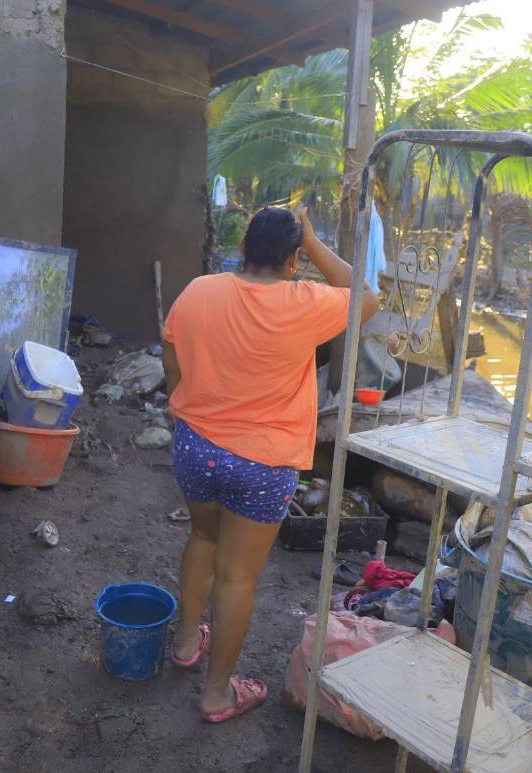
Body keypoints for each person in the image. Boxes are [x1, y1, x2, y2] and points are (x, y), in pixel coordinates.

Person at [161, 206, 379, 722]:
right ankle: (217, 695)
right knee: (236, 579)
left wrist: (188, 410)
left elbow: (171, 359)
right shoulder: (306, 301)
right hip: (264, 463)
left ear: (242, 247)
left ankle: (186, 644)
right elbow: (367, 297)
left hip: (197, 447)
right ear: (293, 259)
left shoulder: (198, 290)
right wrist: (315, 243)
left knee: (202, 538)